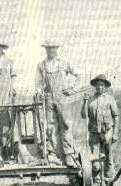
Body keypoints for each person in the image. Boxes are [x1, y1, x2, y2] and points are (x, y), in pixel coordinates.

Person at [35, 39, 79, 167]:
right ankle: (55, 154)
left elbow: (79, 75)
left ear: (57, 49)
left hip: (62, 98)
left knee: (65, 124)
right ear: (45, 49)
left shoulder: (64, 63)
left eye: (53, 48)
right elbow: (37, 83)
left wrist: (72, 88)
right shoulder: (41, 65)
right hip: (48, 98)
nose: (51, 50)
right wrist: (39, 91)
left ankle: (69, 154)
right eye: (48, 48)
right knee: (50, 126)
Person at [81, 74, 119, 186]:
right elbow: (83, 115)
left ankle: (108, 180)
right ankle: (97, 180)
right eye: (97, 85)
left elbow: (116, 116)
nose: (99, 87)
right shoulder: (90, 99)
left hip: (107, 132)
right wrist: (84, 102)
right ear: (95, 86)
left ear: (105, 86)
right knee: (94, 158)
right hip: (94, 133)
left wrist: (115, 133)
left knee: (108, 157)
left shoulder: (110, 99)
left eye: (102, 85)